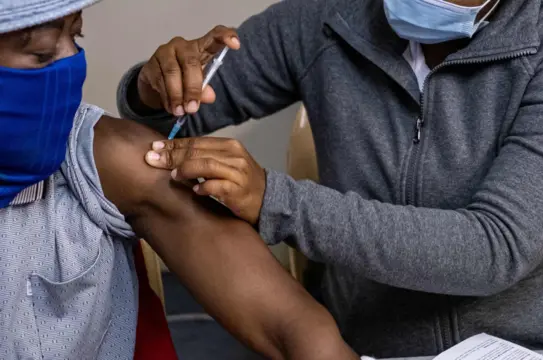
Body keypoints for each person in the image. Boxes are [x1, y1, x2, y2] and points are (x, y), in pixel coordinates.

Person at [118, 0, 543, 357]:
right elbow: (170, 120)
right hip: (366, 341)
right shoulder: (326, 19)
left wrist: (275, 202)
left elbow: (494, 249)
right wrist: (151, 89)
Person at [0, 1, 359, 359]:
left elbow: (291, 323)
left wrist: (274, 199)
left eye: (76, 34)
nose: (71, 61)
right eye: (42, 52)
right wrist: (148, 97)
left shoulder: (101, 156)